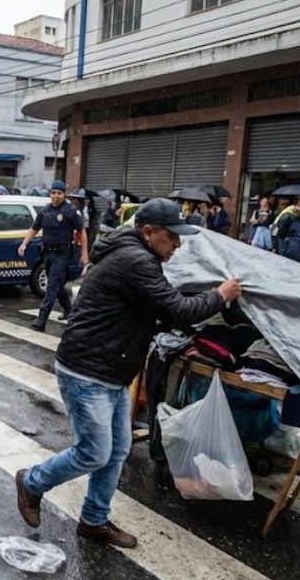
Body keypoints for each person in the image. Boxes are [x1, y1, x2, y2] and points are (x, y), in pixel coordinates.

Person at [14, 198, 242, 547]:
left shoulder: (139, 254)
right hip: (87, 370)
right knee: (93, 452)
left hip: (112, 370)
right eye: (172, 237)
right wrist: (219, 296)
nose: (178, 245)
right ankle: (32, 482)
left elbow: (160, 308)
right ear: (148, 231)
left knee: (117, 449)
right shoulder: (135, 260)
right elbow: (176, 309)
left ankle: (93, 520)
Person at [18, 181, 89, 332]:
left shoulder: (70, 211)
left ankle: (41, 320)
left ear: (64, 194)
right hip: (47, 254)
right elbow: (34, 229)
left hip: (62, 255)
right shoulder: (45, 211)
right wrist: (24, 243)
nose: (56, 196)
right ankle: (69, 310)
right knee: (57, 285)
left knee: (51, 287)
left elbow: (81, 231)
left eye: (59, 193)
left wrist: (84, 255)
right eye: (53, 193)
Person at [274, 194, 300, 262]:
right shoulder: (287, 214)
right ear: (297, 201)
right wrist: (279, 251)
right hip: (288, 248)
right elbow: (279, 234)